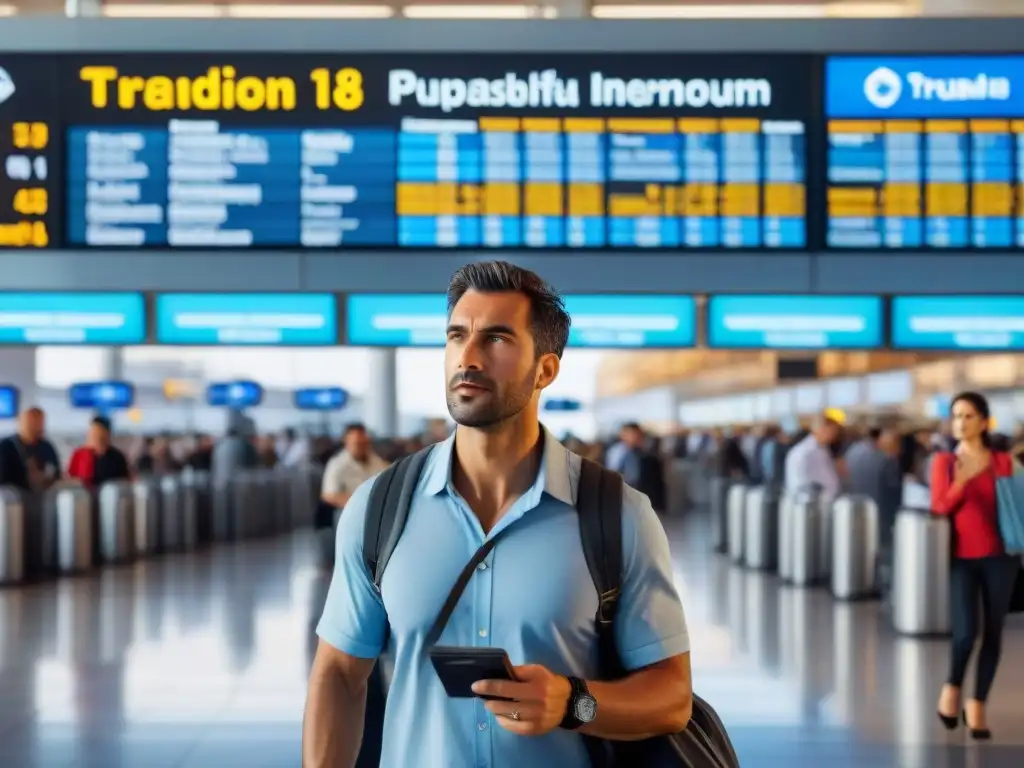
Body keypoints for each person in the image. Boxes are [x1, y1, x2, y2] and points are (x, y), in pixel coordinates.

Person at [303, 261, 692, 768]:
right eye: (457, 335)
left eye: (497, 339)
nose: (468, 357)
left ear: (546, 370)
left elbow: (671, 699)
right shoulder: (379, 508)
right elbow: (338, 673)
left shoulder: (618, 516)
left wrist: (573, 702)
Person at [932, 392, 1019, 740]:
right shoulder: (944, 462)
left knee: (994, 632)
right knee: (966, 632)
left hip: (1001, 557)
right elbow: (939, 507)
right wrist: (961, 482)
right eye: (956, 416)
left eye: (968, 416)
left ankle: (978, 704)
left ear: (984, 421)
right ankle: (952, 688)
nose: (961, 422)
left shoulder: (1003, 462)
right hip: (962, 560)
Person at [320, 423, 390, 513]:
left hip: (376, 509)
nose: (361, 447)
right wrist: (358, 502)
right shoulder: (337, 464)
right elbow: (329, 495)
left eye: (364, 443)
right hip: (348, 510)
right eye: (357, 443)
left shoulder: (378, 462)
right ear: (346, 442)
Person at [0, 407, 61, 492]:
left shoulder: (47, 447)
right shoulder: (6, 447)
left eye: (39, 422)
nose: (36, 427)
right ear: (21, 423)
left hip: (44, 498)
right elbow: (3, 481)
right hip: (15, 498)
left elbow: (56, 474)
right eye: (32, 422)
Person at [784, 415, 842, 504]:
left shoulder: (823, 449)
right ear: (821, 429)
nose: (834, 436)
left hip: (826, 503)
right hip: (812, 506)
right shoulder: (803, 453)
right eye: (832, 431)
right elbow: (800, 485)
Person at [68, 416, 131, 489]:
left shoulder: (117, 457)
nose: (93, 435)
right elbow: (71, 479)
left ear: (106, 434)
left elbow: (124, 482)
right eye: (92, 432)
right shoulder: (79, 455)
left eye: (97, 432)